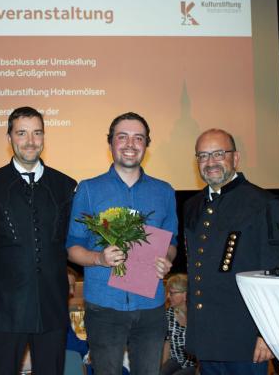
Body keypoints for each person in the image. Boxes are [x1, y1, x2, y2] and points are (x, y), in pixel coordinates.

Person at [66, 112, 178, 375]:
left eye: (138, 138)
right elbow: (73, 248)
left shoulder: (164, 191)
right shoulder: (89, 190)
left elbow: (171, 242)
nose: (130, 144)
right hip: (104, 307)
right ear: (111, 143)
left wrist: (167, 259)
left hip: (150, 306)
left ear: (146, 145)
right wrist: (99, 259)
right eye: (122, 137)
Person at [0, 106, 77, 375]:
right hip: (5, 310)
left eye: (37, 133)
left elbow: (71, 241)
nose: (31, 141)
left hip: (53, 308)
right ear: (9, 138)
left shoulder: (66, 186)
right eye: (22, 133)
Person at [182, 128, 279, 375]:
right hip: (207, 336)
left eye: (219, 154)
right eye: (203, 156)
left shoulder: (262, 203)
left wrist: (267, 333)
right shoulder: (193, 206)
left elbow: (277, 273)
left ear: (236, 158)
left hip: (246, 338)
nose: (210, 162)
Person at [161, 274, 197, 375]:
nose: (168, 296)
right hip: (175, 360)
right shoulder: (168, 315)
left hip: (194, 364)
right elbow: (167, 343)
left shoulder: (197, 315)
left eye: (172, 293)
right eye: (168, 292)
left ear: (185, 295)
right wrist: (162, 368)